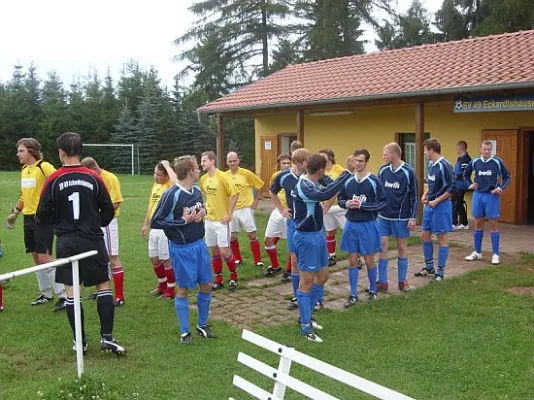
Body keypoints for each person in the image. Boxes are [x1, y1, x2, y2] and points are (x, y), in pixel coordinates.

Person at [36, 132, 125, 355]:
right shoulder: (95, 177)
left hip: (67, 241)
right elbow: (108, 210)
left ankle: (80, 342)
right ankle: (107, 338)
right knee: (103, 285)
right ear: (80, 151)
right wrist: (95, 223)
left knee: (72, 291)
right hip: (93, 239)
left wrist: (51, 237)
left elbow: (42, 215)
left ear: (61, 152)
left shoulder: (53, 178)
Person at [151, 155, 215, 344]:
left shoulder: (196, 190)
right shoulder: (172, 194)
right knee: (184, 289)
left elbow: (201, 207)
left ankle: (202, 325)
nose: (199, 169)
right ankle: (185, 332)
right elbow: (157, 220)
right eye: (196, 167)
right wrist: (183, 221)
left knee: (207, 285)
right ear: (190, 171)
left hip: (200, 245)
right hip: (181, 248)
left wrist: (204, 212)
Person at [293, 153, 356, 342]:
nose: (325, 173)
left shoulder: (313, 180)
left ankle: (307, 315)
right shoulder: (304, 185)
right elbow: (326, 194)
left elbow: (331, 186)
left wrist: (345, 177)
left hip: (317, 236)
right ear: (319, 170)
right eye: (324, 170)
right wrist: (347, 172)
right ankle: (305, 327)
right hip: (306, 238)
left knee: (323, 276)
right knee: (307, 281)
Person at [6, 138, 66, 311]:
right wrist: (15, 213)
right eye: (18, 151)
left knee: (45, 257)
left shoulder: (44, 167)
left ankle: (62, 295)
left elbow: (59, 182)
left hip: (44, 219)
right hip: (28, 219)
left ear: (31, 151)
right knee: (36, 257)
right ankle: (46, 293)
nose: (18, 154)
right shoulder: (24, 170)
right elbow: (24, 196)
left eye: (21, 151)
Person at [339, 149, 386, 307]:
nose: (357, 164)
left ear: (366, 162)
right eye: (355, 161)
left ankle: (373, 290)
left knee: (369, 259)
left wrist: (363, 205)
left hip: (368, 225)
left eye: (360, 161)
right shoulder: (348, 181)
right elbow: (340, 199)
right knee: (352, 260)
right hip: (351, 224)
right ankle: (353, 294)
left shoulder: (374, 181)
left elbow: (382, 203)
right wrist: (347, 203)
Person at [81, 157, 125, 306]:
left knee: (113, 257)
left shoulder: (110, 178)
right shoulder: (92, 179)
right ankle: (103, 291)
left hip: (107, 223)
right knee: (100, 257)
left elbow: (116, 202)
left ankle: (119, 297)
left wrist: (99, 217)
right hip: (96, 223)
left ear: (93, 169)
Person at [270, 148, 310, 310]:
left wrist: (324, 208)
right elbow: (272, 192)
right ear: (299, 162)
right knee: (294, 260)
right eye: (306, 162)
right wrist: (281, 209)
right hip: (293, 223)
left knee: (310, 262)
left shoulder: (311, 176)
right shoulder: (284, 176)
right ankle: (297, 296)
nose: (309, 165)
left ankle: (314, 295)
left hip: (310, 224)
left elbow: (329, 190)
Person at [377, 143, 418, 293]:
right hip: (383, 216)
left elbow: (414, 195)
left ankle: (402, 281)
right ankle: (382, 282)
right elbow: (379, 192)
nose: (383, 157)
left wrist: (413, 217)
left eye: (385, 154)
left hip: (401, 217)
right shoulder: (382, 170)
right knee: (382, 246)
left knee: (402, 247)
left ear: (394, 155)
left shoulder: (408, 172)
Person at [464, 140, 511, 265]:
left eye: (489, 149)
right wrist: (470, 184)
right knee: (478, 223)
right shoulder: (475, 161)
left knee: (493, 224)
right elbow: (465, 174)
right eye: (484, 149)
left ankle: (495, 254)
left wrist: (500, 188)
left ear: (491, 150)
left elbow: (507, 177)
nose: (486, 151)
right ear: (481, 149)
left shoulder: (497, 162)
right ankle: (477, 252)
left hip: (491, 196)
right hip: (478, 195)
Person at [415, 138, 456, 282]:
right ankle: (429, 266)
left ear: (432, 150)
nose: (425, 153)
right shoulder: (432, 165)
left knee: (442, 238)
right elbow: (431, 183)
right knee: (425, 235)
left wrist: (437, 200)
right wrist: (425, 194)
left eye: (426, 150)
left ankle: (441, 272)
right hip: (430, 206)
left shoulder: (445, 165)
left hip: (441, 206)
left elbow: (452, 188)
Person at [199, 151, 240, 290]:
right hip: (208, 220)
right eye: (201, 161)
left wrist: (229, 214)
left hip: (222, 221)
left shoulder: (223, 176)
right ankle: (219, 279)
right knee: (214, 251)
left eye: (204, 161)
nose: (202, 163)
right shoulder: (203, 179)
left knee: (224, 251)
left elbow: (235, 194)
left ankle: (234, 276)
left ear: (212, 161)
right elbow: (207, 197)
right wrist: (204, 209)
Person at [141, 161, 178, 299]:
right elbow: (151, 206)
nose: (156, 177)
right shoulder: (156, 186)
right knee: (154, 258)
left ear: (167, 176)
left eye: (159, 174)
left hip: (165, 228)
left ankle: (170, 289)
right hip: (154, 228)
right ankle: (162, 286)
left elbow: (176, 182)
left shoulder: (170, 186)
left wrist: (168, 167)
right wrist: (146, 224)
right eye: (154, 173)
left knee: (166, 259)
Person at [225, 152, 265, 268]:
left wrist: (256, 201)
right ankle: (238, 259)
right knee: (232, 236)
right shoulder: (224, 175)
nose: (232, 163)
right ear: (227, 162)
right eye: (230, 161)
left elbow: (259, 185)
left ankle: (257, 260)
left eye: (234, 161)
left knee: (251, 235)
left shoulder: (246, 174)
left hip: (245, 209)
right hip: (231, 210)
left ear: (238, 161)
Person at [263, 153, 292, 279]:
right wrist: (276, 205)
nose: (286, 165)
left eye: (288, 163)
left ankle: (290, 270)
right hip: (277, 212)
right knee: (268, 239)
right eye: (283, 163)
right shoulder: (276, 176)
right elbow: (273, 192)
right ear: (279, 165)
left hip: (289, 212)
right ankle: (275, 266)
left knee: (292, 242)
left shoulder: (294, 176)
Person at [318, 149, 347, 267]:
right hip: (325, 207)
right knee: (330, 231)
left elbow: (343, 187)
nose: (321, 158)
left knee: (348, 231)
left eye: (323, 156)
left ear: (330, 157)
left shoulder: (339, 170)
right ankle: (332, 255)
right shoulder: (319, 171)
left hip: (339, 206)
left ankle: (357, 257)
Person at [452, 141, 472, 230]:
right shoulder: (460, 158)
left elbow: (465, 173)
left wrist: (454, 176)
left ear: (460, 148)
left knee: (455, 203)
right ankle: (464, 223)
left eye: (457, 148)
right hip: (457, 185)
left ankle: (453, 223)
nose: (456, 150)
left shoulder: (466, 159)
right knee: (458, 203)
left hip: (461, 185)